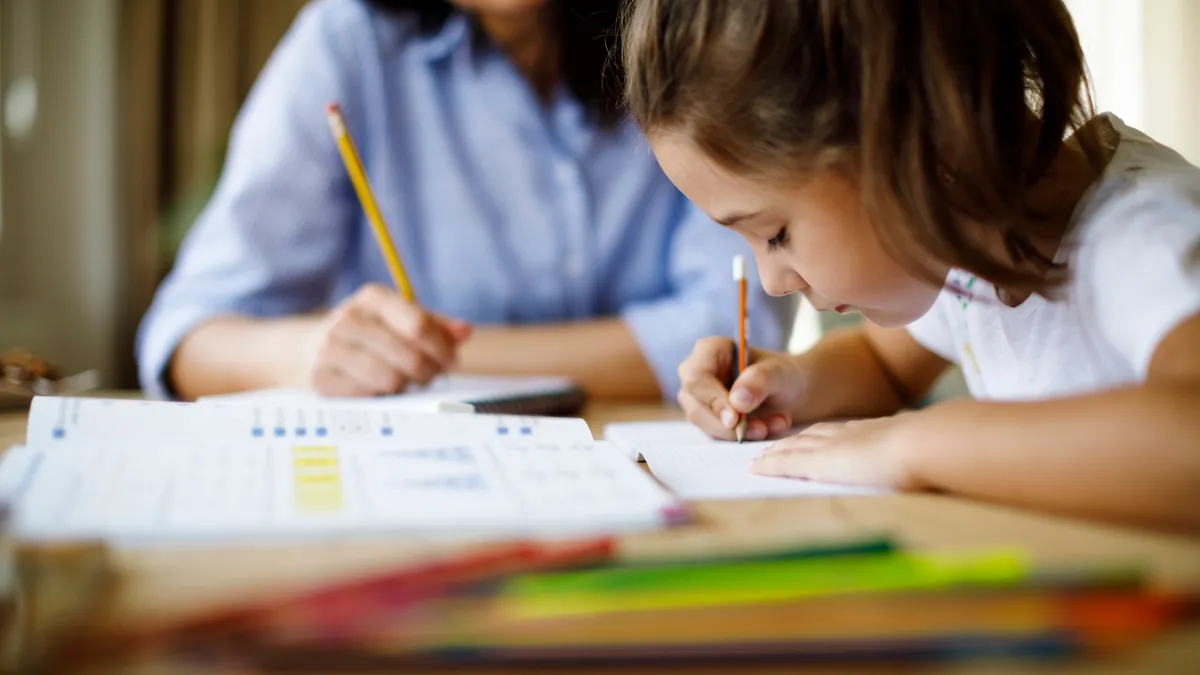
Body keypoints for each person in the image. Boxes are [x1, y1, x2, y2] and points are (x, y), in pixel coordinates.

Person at [623, 0, 1200, 531]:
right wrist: (789, 385)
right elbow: (883, 365)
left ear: (915, 135)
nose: (774, 283)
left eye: (776, 234)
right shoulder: (964, 247)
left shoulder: (1144, 237)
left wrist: (920, 444)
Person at [136, 0, 790, 401]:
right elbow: (184, 337)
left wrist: (437, 360)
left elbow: (737, 332)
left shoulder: (694, 31)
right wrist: (311, 353)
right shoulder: (346, 45)